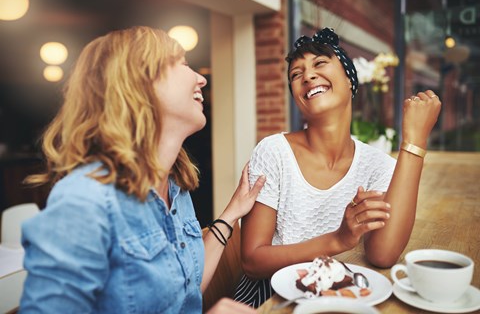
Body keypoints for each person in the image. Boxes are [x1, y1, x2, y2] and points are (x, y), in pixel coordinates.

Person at [19, 26, 265, 314]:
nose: (201, 78)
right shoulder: (84, 201)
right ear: (141, 82)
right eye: (184, 64)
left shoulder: (175, 187)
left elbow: (185, 290)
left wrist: (232, 212)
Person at [233, 27, 442, 307]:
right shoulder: (273, 152)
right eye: (296, 74)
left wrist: (414, 141)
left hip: (339, 297)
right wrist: (339, 239)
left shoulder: (377, 165)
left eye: (320, 64)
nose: (307, 76)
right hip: (268, 299)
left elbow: (383, 255)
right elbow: (252, 261)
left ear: (350, 79)